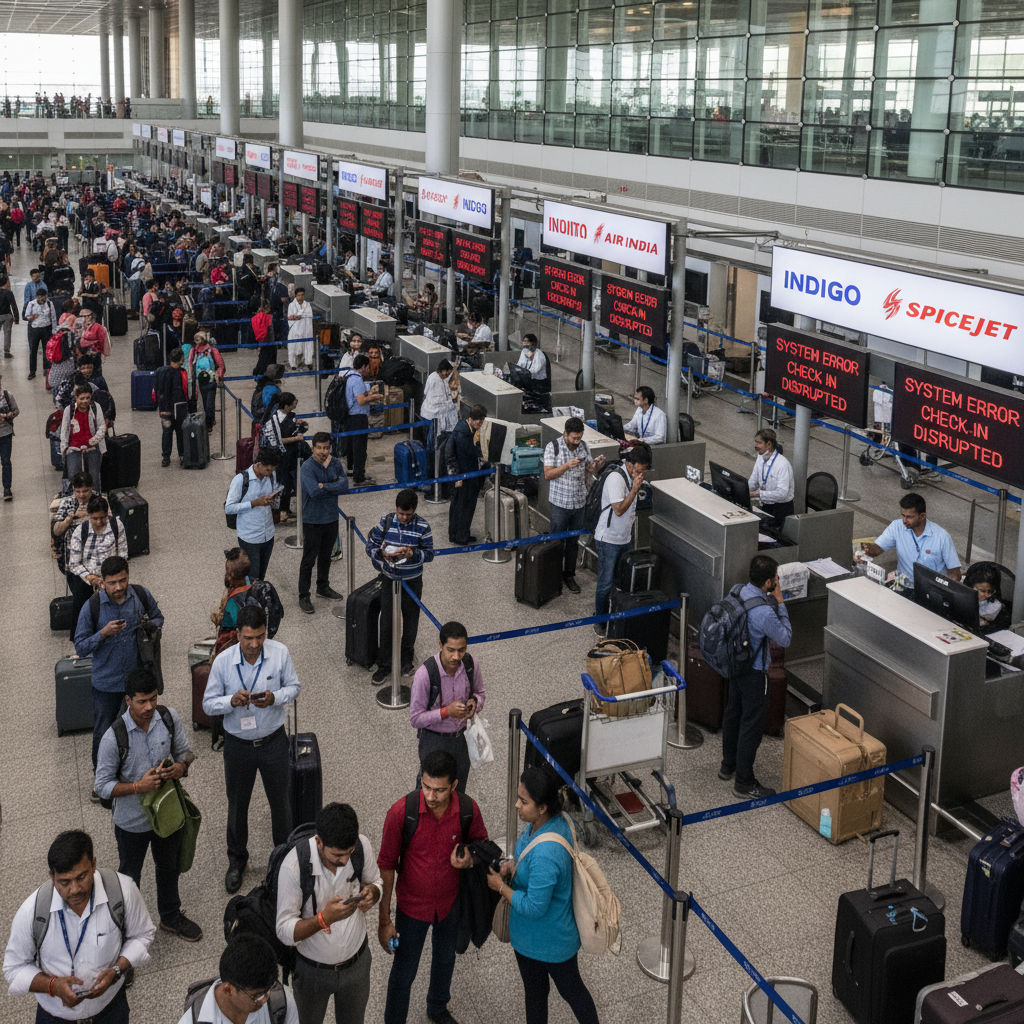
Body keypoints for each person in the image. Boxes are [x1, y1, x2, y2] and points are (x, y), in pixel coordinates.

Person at [377, 750, 488, 1024]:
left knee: (445, 960)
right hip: (412, 907)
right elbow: (387, 867)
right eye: (426, 787)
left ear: (454, 785)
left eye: (439, 790)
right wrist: (384, 920)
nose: (430, 795)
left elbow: (482, 847)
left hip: (450, 903)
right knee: (404, 972)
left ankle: (438, 1007)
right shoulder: (401, 813)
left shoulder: (467, 809)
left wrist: (469, 859)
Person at [94, 668, 202, 943]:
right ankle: (127, 930)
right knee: (129, 877)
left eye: (153, 698)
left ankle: (170, 915)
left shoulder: (168, 717)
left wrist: (180, 767)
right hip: (131, 822)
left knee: (168, 866)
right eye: (142, 701)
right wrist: (137, 787)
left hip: (167, 815)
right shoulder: (112, 738)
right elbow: (103, 786)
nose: (149, 706)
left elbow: (185, 751)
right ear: (128, 700)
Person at [2, 829, 155, 1023]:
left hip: (111, 1010)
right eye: (64, 882)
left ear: (94, 864)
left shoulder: (123, 891)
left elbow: (143, 935)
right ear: (52, 876)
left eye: (81, 877)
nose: (75, 890)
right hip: (55, 1017)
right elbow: (14, 968)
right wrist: (52, 986)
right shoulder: (32, 911)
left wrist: (117, 970)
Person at [486, 768, 599, 1024]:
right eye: (518, 797)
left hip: (548, 942)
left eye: (523, 802)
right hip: (542, 939)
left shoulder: (547, 852)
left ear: (543, 807)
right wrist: (512, 866)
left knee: (558, 992)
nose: (517, 805)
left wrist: (500, 887)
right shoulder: (552, 823)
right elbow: (530, 854)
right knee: (552, 991)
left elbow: (536, 907)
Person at [202, 603, 301, 894]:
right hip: (238, 746)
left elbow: (294, 687)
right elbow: (208, 703)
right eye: (248, 638)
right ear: (237, 635)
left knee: (281, 804)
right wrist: (229, 701)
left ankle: (284, 859)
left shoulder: (280, 653)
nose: (254, 644)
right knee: (237, 805)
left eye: (259, 636)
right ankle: (236, 861)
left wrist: (275, 697)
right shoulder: (222, 661)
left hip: (273, 742)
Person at [275, 803, 382, 1024]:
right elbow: (284, 930)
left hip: (357, 964)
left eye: (348, 853)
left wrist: (374, 892)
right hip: (312, 972)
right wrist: (323, 919)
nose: (344, 861)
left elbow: (376, 881)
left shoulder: (361, 846)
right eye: (337, 855)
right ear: (319, 841)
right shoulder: (294, 866)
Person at [74, 554, 163, 785]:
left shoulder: (140, 595)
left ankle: (130, 775)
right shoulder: (92, 607)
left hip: (135, 683)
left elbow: (158, 617)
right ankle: (100, 780)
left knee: (135, 730)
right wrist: (102, 634)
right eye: (112, 583)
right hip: (106, 683)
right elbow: (81, 646)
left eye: (122, 580)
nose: (119, 587)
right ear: (102, 582)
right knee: (103, 732)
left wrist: (147, 629)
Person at [719, 555, 792, 799]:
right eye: (776, 578)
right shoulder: (764, 612)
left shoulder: (737, 590)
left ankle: (728, 765)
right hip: (754, 671)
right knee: (751, 725)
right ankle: (744, 782)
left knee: (733, 712)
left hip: (733, 664)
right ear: (769, 581)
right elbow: (785, 638)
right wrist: (780, 603)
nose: (777, 582)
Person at [409, 621, 485, 797]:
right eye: (450, 650)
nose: (456, 656)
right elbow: (415, 719)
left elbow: (480, 693)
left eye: (462, 650)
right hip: (434, 741)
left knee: (458, 790)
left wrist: (475, 702)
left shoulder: (471, 664)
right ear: (440, 645)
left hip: (461, 740)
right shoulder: (425, 674)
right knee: (430, 793)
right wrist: (446, 712)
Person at [366, 489, 435, 684]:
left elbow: (429, 554)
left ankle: (406, 659)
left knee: (411, 620)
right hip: (390, 579)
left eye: (408, 514)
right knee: (387, 621)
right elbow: (370, 546)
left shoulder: (423, 526)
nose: (404, 517)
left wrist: (413, 554)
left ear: (414, 510)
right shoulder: (386, 521)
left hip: (412, 581)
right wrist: (382, 555)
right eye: (400, 513)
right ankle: (384, 664)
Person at [543, 416, 607, 595]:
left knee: (573, 542)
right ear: (565, 434)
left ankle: (569, 575)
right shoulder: (553, 447)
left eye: (579, 438)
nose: (577, 441)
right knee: (556, 541)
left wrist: (596, 466)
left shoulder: (584, 446)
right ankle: (552, 576)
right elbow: (548, 474)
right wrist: (566, 465)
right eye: (574, 438)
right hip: (559, 503)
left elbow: (590, 469)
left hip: (579, 502)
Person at [593, 443, 652, 634]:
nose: (640, 475)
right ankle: (600, 621)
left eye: (643, 472)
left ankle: (616, 615)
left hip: (624, 538)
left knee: (620, 582)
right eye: (638, 471)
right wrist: (634, 489)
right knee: (605, 583)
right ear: (629, 464)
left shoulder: (633, 477)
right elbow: (618, 510)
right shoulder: (615, 479)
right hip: (608, 539)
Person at [175, 933, 299, 1024]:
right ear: (228, 990)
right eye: (256, 996)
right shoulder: (192, 1021)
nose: (265, 999)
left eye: (268, 989)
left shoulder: (282, 1001)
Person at [860, 492, 962, 588]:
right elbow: (878, 549)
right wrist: (868, 549)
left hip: (931, 588)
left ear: (922, 516)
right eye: (903, 515)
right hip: (903, 584)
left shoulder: (941, 537)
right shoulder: (896, 526)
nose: (904, 521)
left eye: (909, 517)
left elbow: (954, 573)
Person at [65, 493, 128, 642]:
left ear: (107, 514)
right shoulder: (80, 532)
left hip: (111, 575)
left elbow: (123, 553)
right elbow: (74, 563)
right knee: (82, 608)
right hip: (86, 577)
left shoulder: (116, 525)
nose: (99, 522)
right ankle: (80, 639)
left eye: (102, 518)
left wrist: (113, 577)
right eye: (95, 518)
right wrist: (91, 578)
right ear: (89, 515)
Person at [298, 432, 349, 614]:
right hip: (312, 519)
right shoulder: (307, 467)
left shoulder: (335, 464)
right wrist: (330, 485)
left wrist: (324, 485)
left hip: (331, 517)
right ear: (313, 448)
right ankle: (304, 594)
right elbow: (313, 491)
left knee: (326, 556)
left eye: (326, 447)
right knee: (309, 559)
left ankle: (323, 586)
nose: (323, 451)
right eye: (319, 447)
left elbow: (345, 486)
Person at [226, 449, 281, 581]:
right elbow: (229, 508)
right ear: (259, 464)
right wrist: (254, 503)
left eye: (272, 470)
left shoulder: (271, 477)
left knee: (261, 576)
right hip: (249, 538)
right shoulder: (241, 480)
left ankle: (257, 600)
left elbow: (275, 505)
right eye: (267, 470)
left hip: (268, 535)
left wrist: (275, 500)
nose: (269, 473)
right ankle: (250, 601)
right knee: (252, 577)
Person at [445, 405, 486, 547]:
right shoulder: (462, 435)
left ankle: (460, 533)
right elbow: (452, 456)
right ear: (471, 419)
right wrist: (456, 477)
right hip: (464, 477)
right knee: (463, 507)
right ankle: (460, 536)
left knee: (462, 506)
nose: (479, 424)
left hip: (468, 476)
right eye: (478, 421)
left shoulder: (464, 431)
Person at [340, 354, 382, 485]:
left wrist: (369, 392)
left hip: (349, 416)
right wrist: (376, 397)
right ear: (363, 367)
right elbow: (361, 400)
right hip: (358, 417)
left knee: (352, 445)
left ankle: (352, 470)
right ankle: (359, 477)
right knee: (360, 447)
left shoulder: (348, 375)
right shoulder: (357, 379)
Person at [59, 384, 106, 485]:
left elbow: (102, 427)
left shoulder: (95, 407)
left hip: (93, 448)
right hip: (73, 449)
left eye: (87, 398)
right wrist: (64, 450)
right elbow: (64, 432)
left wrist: (93, 441)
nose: (85, 401)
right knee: (74, 477)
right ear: (76, 397)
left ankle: (95, 497)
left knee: (94, 477)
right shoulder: (69, 410)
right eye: (82, 398)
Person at [747, 428, 794, 527]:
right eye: (755, 442)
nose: (755, 446)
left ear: (768, 444)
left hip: (780, 510)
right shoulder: (760, 457)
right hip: (766, 505)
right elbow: (753, 480)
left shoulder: (782, 464)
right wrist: (743, 490)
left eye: (759, 443)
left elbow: (782, 494)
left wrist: (757, 493)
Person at [155, 347, 190, 467]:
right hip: (178, 409)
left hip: (164, 409)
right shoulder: (181, 373)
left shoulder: (160, 371)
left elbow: (155, 391)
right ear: (180, 359)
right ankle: (182, 455)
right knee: (180, 433)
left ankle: (166, 457)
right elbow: (185, 391)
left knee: (166, 433)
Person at [188, 331, 225, 431]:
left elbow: (220, 365)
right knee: (203, 403)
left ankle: (209, 423)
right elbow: (190, 365)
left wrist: (218, 376)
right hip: (199, 381)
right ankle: (205, 422)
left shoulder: (212, 351)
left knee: (209, 403)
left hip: (210, 380)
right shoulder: (194, 350)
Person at [418, 359, 457, 454]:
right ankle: (431, 461)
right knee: (432, 442)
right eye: (447, 373)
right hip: (432, 415)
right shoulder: (433, 379)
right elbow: (435, 400)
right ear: (443, 371)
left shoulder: (443, 378)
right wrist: (450, 404)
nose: (447, 375)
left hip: (437, 414)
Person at [965, 562, 1011, 633]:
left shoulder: (994, 608)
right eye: (983, 591)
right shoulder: (961, 593)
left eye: (990, 591)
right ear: (970, 585)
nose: (987, 595)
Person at [25, 285, 58, 380]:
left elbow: (53, 317)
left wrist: (54, 330)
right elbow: (27, 315)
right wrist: (31, 317)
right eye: (39, 297)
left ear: (45, 296)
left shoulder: (49, 304)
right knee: (33, 350)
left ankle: (46, 368)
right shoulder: (31, 304)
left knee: (46, 349)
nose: (41, 299)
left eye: (42, 297)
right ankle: (32, 371)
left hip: (46, 329)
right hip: (34, 329)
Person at [287, 286, 315, 370]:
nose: (300, 297)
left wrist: (301, 316)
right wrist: (297, 316)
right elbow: (289, 317)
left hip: (306, 329)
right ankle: (293, 364)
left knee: (308, 345)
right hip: (295, 329)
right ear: (296, 296)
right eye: (299, 295)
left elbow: (310, 315)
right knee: (293, 346)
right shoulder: (291, 305)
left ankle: (308, 362)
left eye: (302, 295)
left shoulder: (307, 305)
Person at [0, 374, 17, 499]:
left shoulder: (6, 395)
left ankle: (7, 488)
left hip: (5, 433)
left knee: (6, 461)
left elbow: (16, 411)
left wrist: (7, 415)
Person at [252, 300, 277, 378]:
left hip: (262, 341)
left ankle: (258, 373)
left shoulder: (256, 318)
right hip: (270, 341)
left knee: (262, 358)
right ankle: (268, 375)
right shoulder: (268, 317)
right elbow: (270, 331)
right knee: (269, 360)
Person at [0, 275, 19, 356]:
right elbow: (14, 305)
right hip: (7, 315)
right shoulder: (9, 293)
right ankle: (6, 351)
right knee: (7, 333)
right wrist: (16, 318)